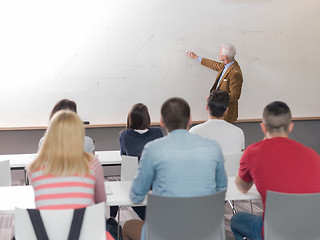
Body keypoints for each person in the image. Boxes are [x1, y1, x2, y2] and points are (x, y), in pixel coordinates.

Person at [122, 97, 228, 240]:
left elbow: (136, 195)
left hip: (166, 232)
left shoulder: (152, 149)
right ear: (190, 119)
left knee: (128, 226)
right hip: (206, 230)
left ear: (162, 122)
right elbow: (222, 189)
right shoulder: (213, 147)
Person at [230, 101, 320, 240]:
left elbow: (242, 187)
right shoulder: (313, 155)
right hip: (311, 231)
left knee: (237, 219)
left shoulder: (252, 152)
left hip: (274, 233)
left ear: (263, 127)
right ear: (290, 127)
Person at [27, 110, 114, 239]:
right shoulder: (92, 163)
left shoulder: (34, 167)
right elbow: (101, 202)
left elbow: (42, 199)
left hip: (47, 234)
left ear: (51, 133)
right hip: (85, 234)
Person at [111, 103, 163, 220]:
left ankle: (111, 219)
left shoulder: (125, 135)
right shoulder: (157, 133)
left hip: (133, 184)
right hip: (155, 184)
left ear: (130, 118)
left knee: (117, 186)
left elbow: (124, 156)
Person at [186, 43, 243, 123]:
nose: (218, 54)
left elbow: (235, 95)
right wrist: (196, 57)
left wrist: (215, 98)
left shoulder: (235, 72)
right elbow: (213, 64)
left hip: (226, 114)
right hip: (218, 111)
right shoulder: (225, 65)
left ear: (225, 57)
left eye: (220, 53)